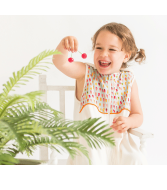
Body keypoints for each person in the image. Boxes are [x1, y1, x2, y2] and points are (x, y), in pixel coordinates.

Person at [52, 22, 147, 165]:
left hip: (119, 144)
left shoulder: (129, 80)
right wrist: (64, 46)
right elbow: (61, 63)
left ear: (126, 56)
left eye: (112, 49)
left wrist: (128, 122)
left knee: (136, 159)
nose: (103, 54)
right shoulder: (85, 73)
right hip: (90, 145)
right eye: (99, 47)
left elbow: (138, 115)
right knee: (93, 160)